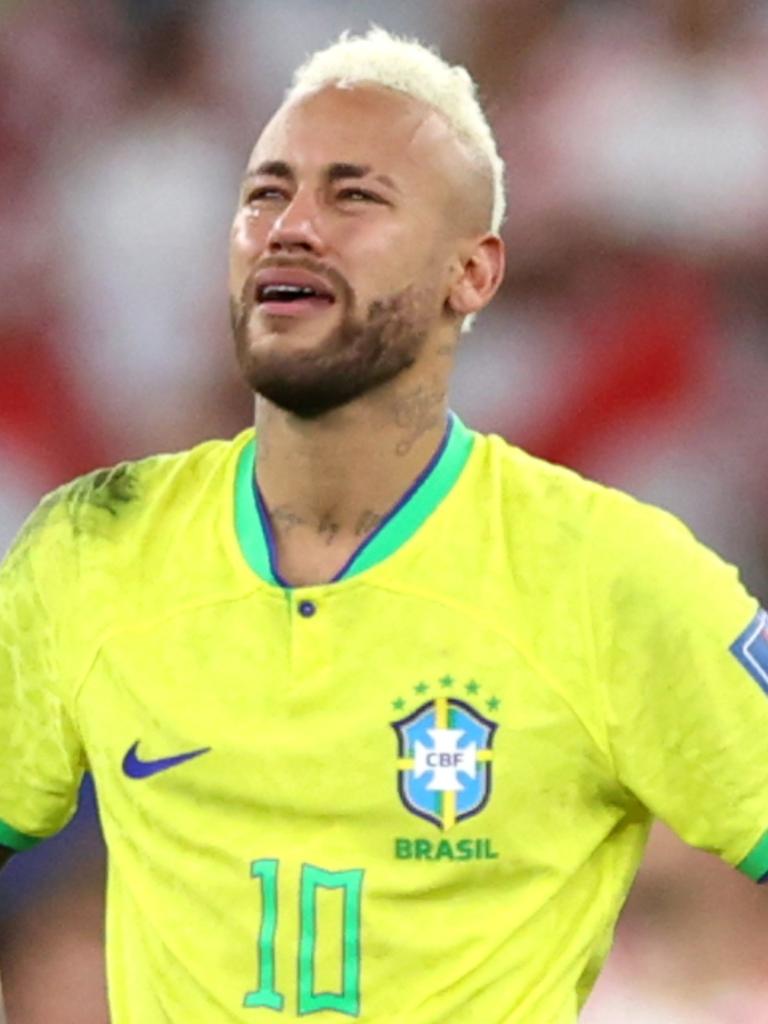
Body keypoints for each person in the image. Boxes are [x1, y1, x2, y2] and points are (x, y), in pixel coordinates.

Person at [1, 26, 768, 1024]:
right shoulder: (93, 547)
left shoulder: (611, 577)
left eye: (355, 196)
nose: (291, 226)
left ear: (473, 274)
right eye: (265, 193)